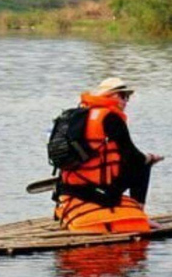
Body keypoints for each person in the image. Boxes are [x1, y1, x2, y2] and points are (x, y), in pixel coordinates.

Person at [54, 77, 164, 233]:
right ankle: (141, 214)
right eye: (122, 96)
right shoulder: (110, 118)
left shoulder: (78, 116)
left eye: (128, 97)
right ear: (109, 95)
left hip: (69, 188)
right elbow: (133, 156)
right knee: (143, 164)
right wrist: (150, 158)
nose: (126, 101)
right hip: (100, 191)